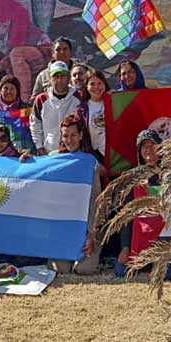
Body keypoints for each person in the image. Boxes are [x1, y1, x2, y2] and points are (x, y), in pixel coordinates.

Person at [48, 114, 103, 275]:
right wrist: (27, 160)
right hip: (62, 228)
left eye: (73, 135)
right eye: (65, 136)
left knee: (84, 269)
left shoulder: (89, 162)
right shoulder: (53, 159)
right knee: (61, 269)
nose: (69, 140)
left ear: (80, 135)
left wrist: (91, 234)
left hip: (85, 227)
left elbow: (95, 200)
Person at [115, 129, 164, 278]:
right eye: (144, 146)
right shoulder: (133, 178)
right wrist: (125, 247)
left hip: (164, 239)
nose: (148, 149)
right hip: (139, 241)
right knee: (120, 271)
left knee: (168, 274)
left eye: (152, 145)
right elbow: (126, 215)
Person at [30, 61, 86, 155]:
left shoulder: (79, 97)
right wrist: (39, 146)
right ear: (50, 79)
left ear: (68, 78)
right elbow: (35, 124)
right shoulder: (41, 100)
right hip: (49, 152)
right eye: (56, 76)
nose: (59, 80)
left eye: (63, 76)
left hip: (74, 152)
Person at [83, 70, 108, 159]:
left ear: (104, 85)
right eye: (92, 84)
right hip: (96, 156)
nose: (96, 87)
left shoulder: (114, 101)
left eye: (99, 83)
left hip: (116, 153)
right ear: (86, 86)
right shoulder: (82, 109)